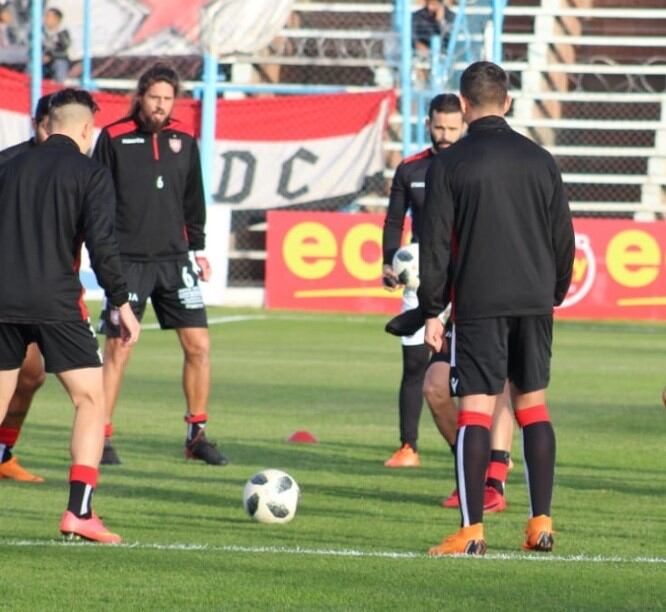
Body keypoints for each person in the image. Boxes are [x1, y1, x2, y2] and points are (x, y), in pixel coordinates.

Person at [419, 61, 574, 555]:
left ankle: (471, 531)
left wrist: (431, 309)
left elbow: (436, 244)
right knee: (533, 406)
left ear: (463, 106)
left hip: (481, 303)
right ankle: (541, 525)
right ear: (507, 102)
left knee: (476, 413)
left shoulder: (449, 163)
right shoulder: (540, 159)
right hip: (534, 300)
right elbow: (562, 237)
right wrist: (554, 291)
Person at [0, 88, 140, 542]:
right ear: (85, 129)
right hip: (56, 303)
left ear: (48, 123)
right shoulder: (90, 173)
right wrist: (122, 302)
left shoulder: (6, 164)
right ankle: (79, 511)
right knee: (90, 400)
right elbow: (103, 246)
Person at [93, 62, 228, 466]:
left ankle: (196, 435)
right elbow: (96, 199)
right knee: (118, 349)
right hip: (128, 262)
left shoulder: (184, 139)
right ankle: (100, 435)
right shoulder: (113, 137)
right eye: (154, 98)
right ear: (140, 97)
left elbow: (193, 198)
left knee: (199, 346)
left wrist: (199, 249)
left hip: (175, 261)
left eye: (168, 99)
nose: (161, 106)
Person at [382, 93, 464, 468]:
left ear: (463, 125)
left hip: (467, 277)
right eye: (438, 127)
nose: (444, 135)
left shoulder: (471, 167)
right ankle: (408, 447)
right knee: (415, 364)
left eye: (451, 127)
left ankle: (490, 452)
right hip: (421, 277)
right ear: (428, 123)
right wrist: (389, 262)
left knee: (473, 370)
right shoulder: (411, 169)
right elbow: (395, 220)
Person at [0, 93, 53, 483]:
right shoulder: (8, 164)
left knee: (32, 374)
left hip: (35, 287)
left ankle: (3, 452)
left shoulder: (73, 170)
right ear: (39, 125)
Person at [43, 7, 70, 82]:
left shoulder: (63, 34)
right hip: (43, 61)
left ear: (56, 19)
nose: (45, 19)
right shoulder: (41, 33)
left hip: (57, 60)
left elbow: (64, 50)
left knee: (60, 63)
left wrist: (50, 56)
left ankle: (59, 85)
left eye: (48, 16)